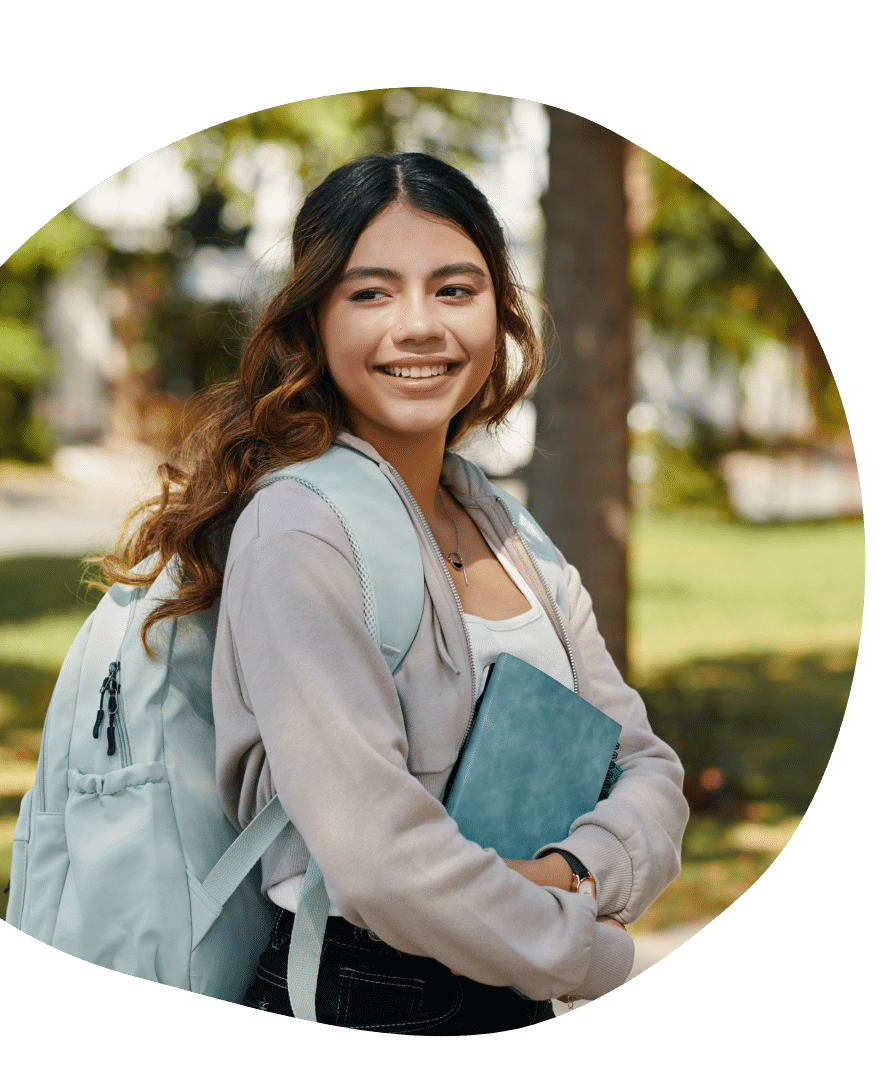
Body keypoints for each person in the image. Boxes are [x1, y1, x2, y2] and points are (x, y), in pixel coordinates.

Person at [104, 152, 688, 1035]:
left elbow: (646, 765)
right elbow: (378, 862)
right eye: (370, 294)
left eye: (455, 290)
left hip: (512, 979)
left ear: (501, 312)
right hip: (369, 1001)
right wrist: (590, 950)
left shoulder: (505, 527)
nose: (418, 327)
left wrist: (574, 871)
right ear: (313, 321)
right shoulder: (298, 529)